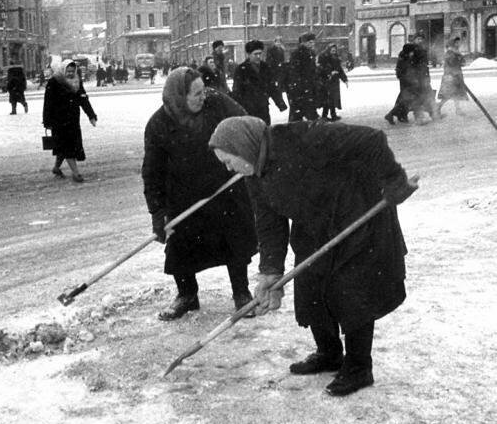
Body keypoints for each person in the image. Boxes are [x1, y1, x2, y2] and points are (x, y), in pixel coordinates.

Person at [209, 116, 417, 396]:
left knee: (351, 292)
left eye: (228, 159)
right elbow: (269, 222)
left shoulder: (305, 138)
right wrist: (271, 271)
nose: (228, 167)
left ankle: (359, 368)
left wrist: (393, 180)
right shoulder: (254, 175)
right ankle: (329, 353)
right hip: (315, 223)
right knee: (311, 288)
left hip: (357, 213)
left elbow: (372, 139)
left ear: (243, 146)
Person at [142, 67, 257, 320]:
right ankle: (187, 295)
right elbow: (152, 173)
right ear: (179, 96)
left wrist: (246, 154)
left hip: (225, 186)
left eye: (203, 90)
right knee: (181, 246)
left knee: (234, 240)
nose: (203, 96)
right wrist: (158, 213)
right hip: (184, 195)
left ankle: (241, 292)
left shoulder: (216, 103)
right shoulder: (158, 125)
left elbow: (245, 123)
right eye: (195, 93)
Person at [42, 60, 97, 182]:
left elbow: (83, 99)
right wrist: (47, 121)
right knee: (68, 147)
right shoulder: (54, 82)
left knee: (64, 146)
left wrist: (91, 115)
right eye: (68, 71)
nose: (71, 73)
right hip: (59, 121)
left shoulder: (77, 81)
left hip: (72, 120)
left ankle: (56, 167)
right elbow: (48, 103)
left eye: (73, 71)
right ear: (63, 70)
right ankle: (76, 173)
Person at [232, 39, 287, 124]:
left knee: (264, 131)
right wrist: (238, 109)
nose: (258, 56)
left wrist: (280, 103)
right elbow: (237, 91)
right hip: (248, 109)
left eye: (260, 54)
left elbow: (272, 87)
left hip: (263, 107)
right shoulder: (241, 69)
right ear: (249, 54)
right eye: (255, 54)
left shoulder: (265, 68)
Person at [283, 32, 319, 122]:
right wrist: (298, 87)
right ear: (303, 43)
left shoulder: (311, 53)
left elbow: (312, 71)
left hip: (307, 88)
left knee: (304, 114)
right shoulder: (298, 54)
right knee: (298, 115)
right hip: (300, 89)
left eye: (313, 42)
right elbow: (294, 72)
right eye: (310, 42)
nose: (312, 44)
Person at [437, 37, 468, 116]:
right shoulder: (450, 53)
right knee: (447, 95)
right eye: (456, 43)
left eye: (458, 42)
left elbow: (463, 63)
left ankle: (458, 110)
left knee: (456, 94)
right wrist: (459, 56)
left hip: (456, 75)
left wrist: (460, 56)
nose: (458, 44)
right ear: (452, 44)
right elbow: (452, 64)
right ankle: (437, 108)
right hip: (450, 77)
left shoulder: (456, 53)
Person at [317, 43, 348, 121]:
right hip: (327, 81)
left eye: (335, 49)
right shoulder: (324, 57)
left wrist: (345, 79)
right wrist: (329, 73)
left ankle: (330, 115)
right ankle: (327, 116)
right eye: (332, 49)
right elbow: (321, 68)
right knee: (329, 99)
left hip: (334, 81)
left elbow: (340, 69)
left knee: (332, 99)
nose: (334, 51)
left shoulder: (335, 58)